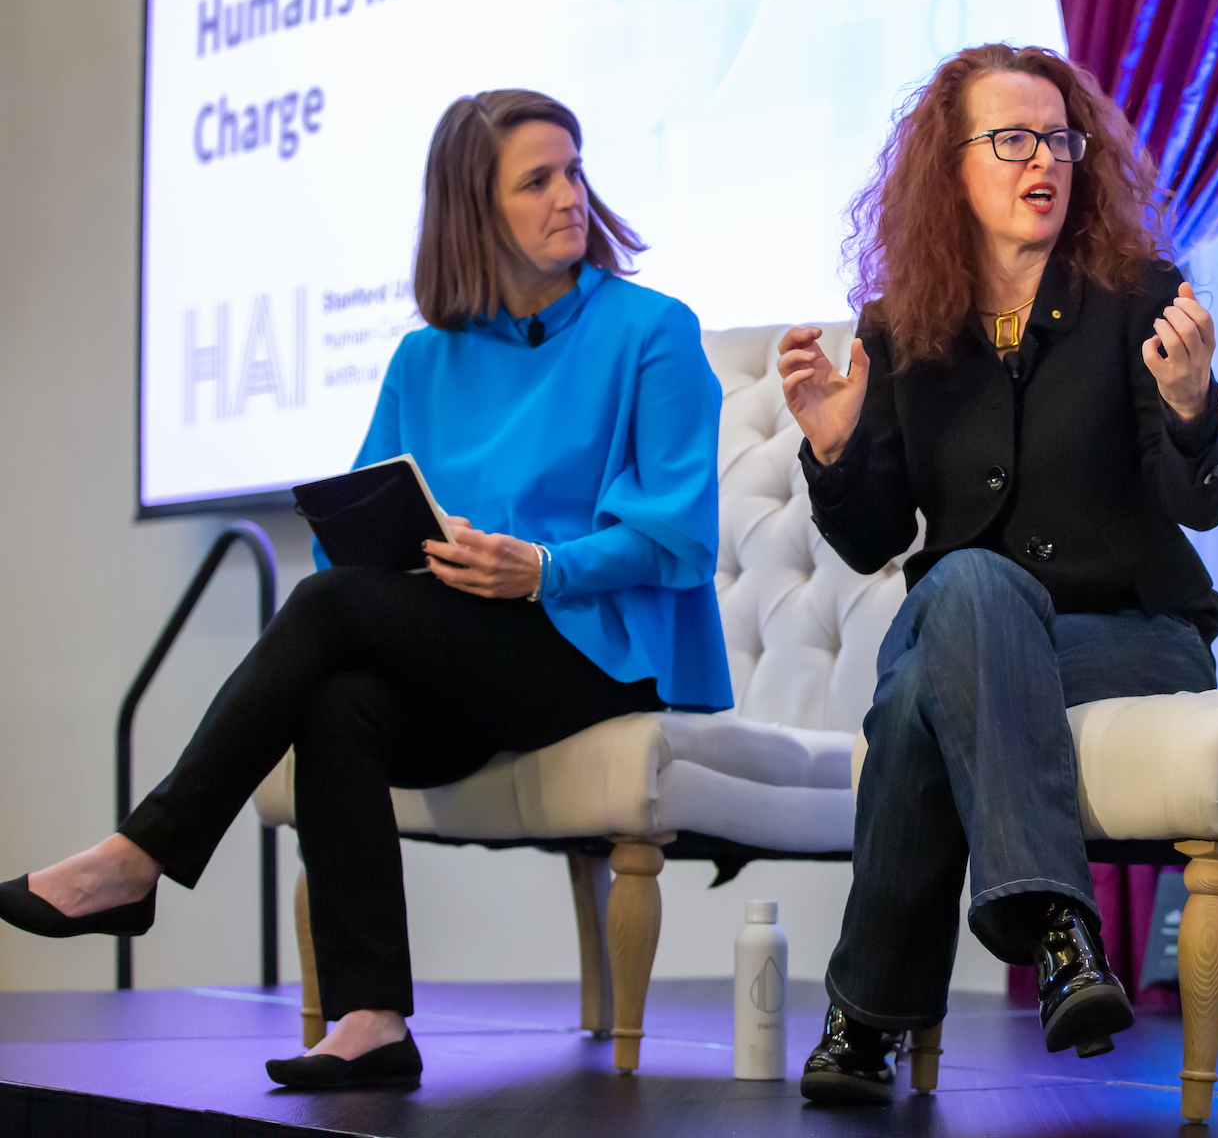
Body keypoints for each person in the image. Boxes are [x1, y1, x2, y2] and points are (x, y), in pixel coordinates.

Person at [0, 90, 731, 1091]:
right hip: (476, 653)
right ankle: (372, 1017)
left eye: (575, 169)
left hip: (601, 651)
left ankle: (144, 852)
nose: (571, 195)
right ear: (475, 208)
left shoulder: (654, 329)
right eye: (538, 179)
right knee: (338, 699)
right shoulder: (423, 357)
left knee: (324, 608)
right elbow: (362, 529)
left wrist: (543, 567)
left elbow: (681, 537)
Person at [778, 43, 1218, 1104]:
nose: (1046, 161)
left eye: (1061, 139)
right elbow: (872, 536)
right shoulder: (901, 328)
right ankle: (1062, 934)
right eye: (1013, 139)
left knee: (916, 698)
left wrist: (1189, 405)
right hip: (972, 624)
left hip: (1132, 634)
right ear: (951, 164)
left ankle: (865, 1016)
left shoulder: (1139, 297)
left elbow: (1200, 503)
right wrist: (839, 450)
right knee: (969, 594)